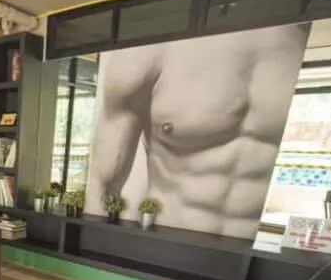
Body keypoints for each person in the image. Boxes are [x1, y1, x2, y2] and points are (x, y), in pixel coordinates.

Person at [86, 24, 309, 239]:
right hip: (163, 242)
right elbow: (102, 185)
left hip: (251, 252)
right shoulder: (146, 51)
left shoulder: (300, 38)